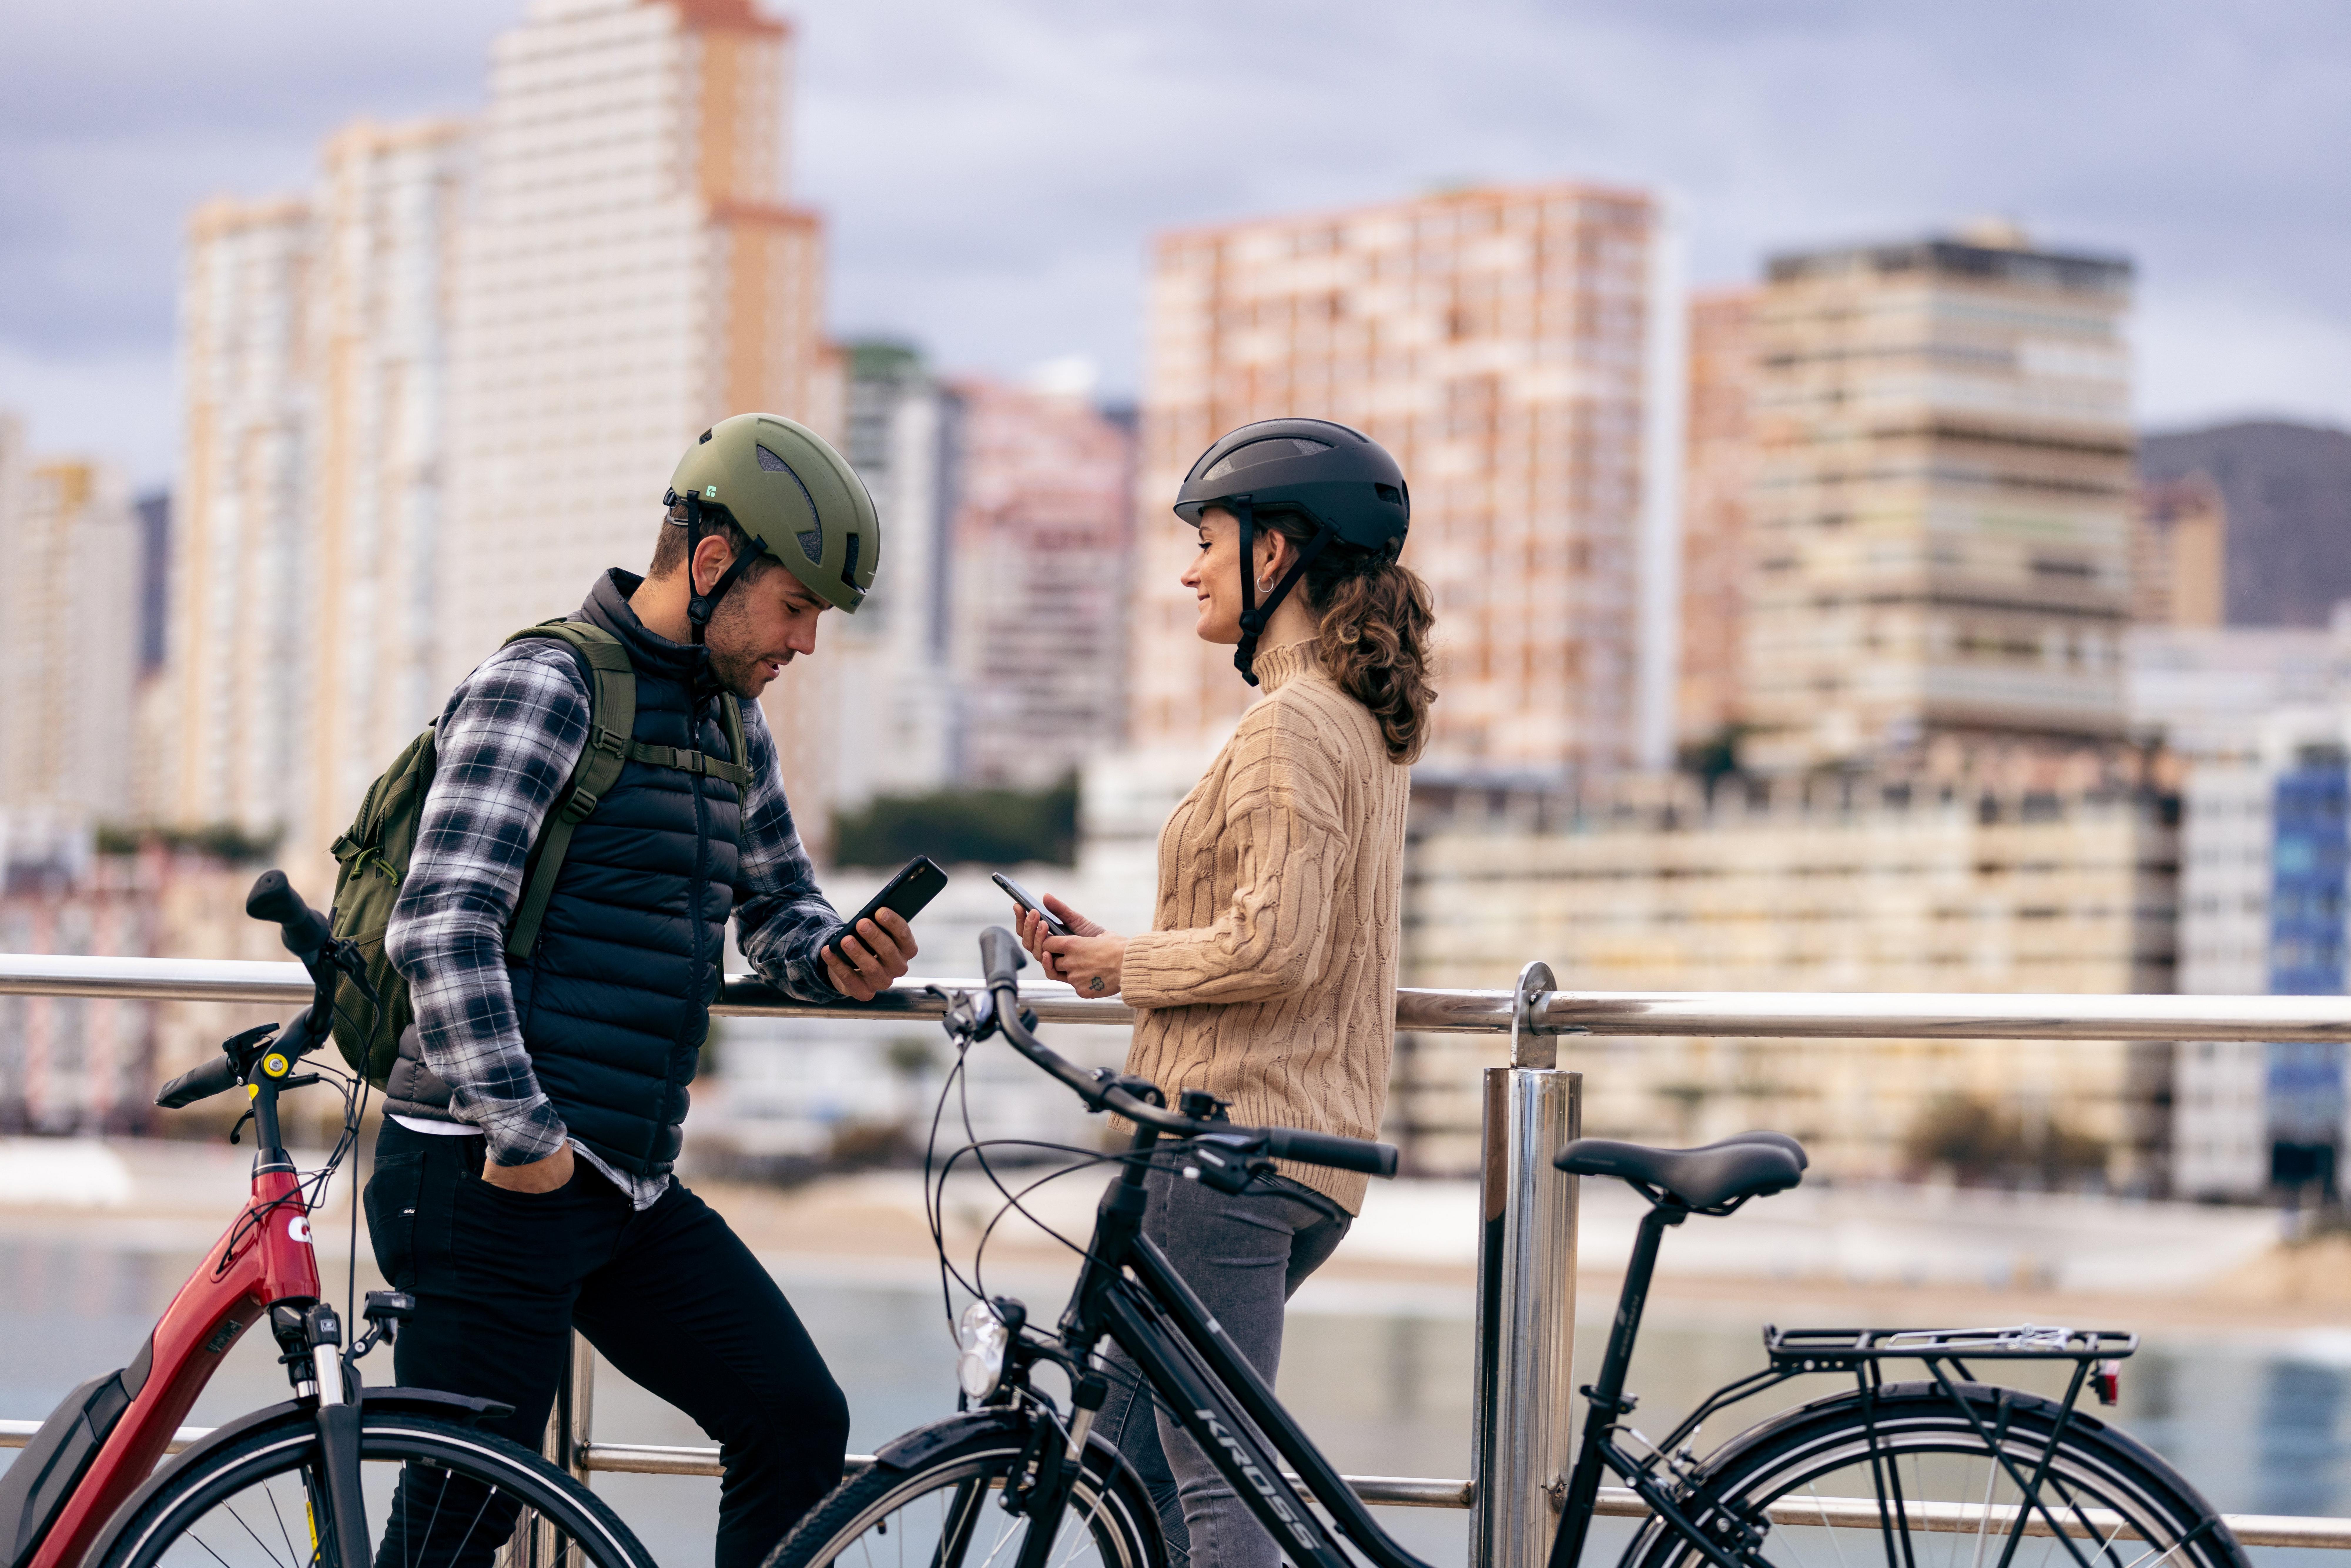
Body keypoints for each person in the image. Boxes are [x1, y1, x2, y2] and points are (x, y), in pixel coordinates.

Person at [366, 413, 916, 1568]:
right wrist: (525, 1136)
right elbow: (442, 924)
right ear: (712, 564)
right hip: (483, 1167)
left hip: (620, 1175)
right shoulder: (544, 684)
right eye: (796, 607)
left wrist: (836, 959)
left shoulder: (732, 722)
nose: (806, 642)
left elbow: (778, 908)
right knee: (466, 1509)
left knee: (793, 1420)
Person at [1014, 418, 1436, 1568]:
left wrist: (1123, 964)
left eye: (1206, 541)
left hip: (1227, 1148)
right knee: (1133, 1473)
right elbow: (1288, 933)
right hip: (1299, 1150)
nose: (1190, 570)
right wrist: (1122, 954)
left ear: (1275, 552)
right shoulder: (1355, 721)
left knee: (1217, 1493)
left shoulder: (1290, 723)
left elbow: (1278, 946)